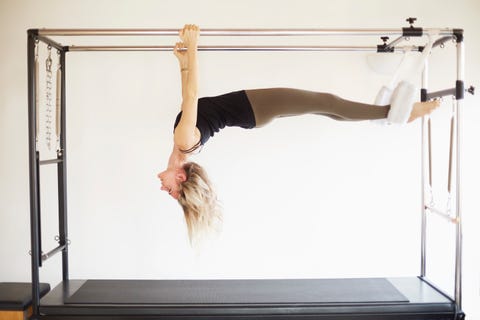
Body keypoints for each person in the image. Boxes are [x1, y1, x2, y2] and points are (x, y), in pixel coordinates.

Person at [157, 24, 440, 244]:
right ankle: (397, 114)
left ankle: (390, 114)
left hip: (252, 112)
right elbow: (192, 95)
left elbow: (188, 99)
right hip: (255, 108)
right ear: (181, 177)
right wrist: (194, 48)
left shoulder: (181, 144)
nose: (163, 187)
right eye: (170, 189)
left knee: (326, 105)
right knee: (326, 102)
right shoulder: (184, 142)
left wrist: (183, 62)